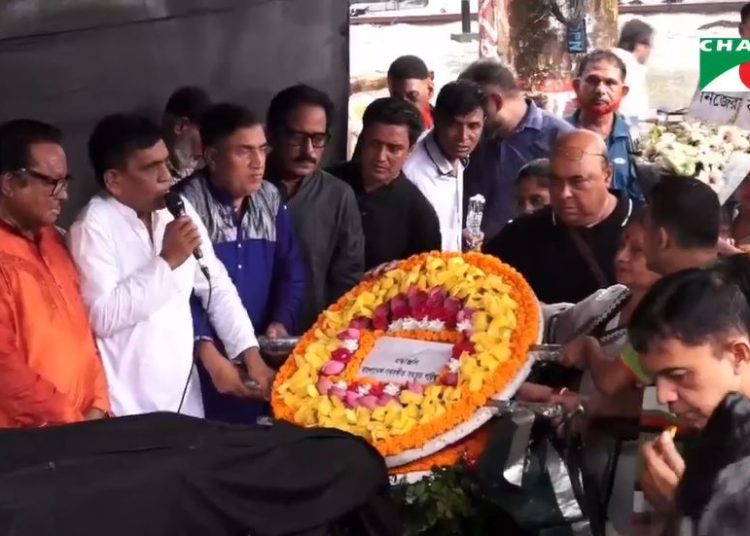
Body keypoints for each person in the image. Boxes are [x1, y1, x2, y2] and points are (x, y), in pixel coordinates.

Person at [68, 113, 273, 418]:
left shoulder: (176, 209)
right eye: (151, 167)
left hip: (184, 400)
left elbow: (216, 284)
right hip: (127, 408)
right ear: (114, 180)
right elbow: (102, 316)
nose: (166, 176)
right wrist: (167, 262)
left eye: (166, 163)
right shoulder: (92, 226)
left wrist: (249, 353)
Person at [178, 103, 305, 424]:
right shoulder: (184, 205)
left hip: (259, 357)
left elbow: (291, 272)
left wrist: (280, 322)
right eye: (243, 151)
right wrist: (206, 350)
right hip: (204, 365)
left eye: (262, 149)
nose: (258, 162)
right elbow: (179, 293)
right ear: (211, 157)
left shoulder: (270, 199)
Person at [628, 254, 750, 533]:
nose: (663, 396)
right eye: (655, 379)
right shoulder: (704, 438)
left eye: (678, 375)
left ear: (738, 355)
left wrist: (685, 509)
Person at [0, 119, 110, 427]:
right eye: (51, 182)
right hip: (29, 441)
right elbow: (4, 368)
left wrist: (99, 404)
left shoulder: (56, 240)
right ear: (8, 183)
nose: (63, 196)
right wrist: (68, 421)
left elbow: (85, 335)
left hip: (84, 428)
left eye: (65, 182)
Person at [485, 129, 635, 304]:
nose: (564, 194)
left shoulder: (644, 232)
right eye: (556, 181)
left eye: (577, 181)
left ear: (607, 175)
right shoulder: (522, 233)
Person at [265, 84, 365, 332]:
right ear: (272, 135)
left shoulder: (338, 195)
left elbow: (347, 277)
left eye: (318, 139)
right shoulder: (245, 188)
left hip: (312, 338)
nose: (308, 150)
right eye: (296, 138)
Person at [459, 59, 573, 243]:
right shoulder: (470, 139)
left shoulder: (562, 139)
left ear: (495, 102)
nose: (467, 127)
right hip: (472, 255)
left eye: (473, 113)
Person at [328, 97, 441, 270]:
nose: (380, 157)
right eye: (374, 144)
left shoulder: (419, 214)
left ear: (410, 151)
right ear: (363, 140)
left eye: (394, 149)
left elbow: (428, 276)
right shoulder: (327, 183)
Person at [403, 80, 486, 252]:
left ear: (484, 122)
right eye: (454, 125)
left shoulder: (457, 157)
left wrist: (457, 238)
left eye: (473, 126)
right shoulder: (411, 172)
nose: (463, 137)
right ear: (436, 119)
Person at [568, 50, 643, 201]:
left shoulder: (636, 139)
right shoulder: (557, 134)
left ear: (623, 91)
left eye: (610, 83)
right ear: (576, 86)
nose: (600, 90)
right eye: (592, 81)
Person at [162, 86, 212, 183]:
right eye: (204, 135)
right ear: (181, 126)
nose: (204, 151)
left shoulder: (194, 175)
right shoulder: (150, 175)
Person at [612, 19, 654, 124]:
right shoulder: (629, 66)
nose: (650, 51)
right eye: (649, 46)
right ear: (639, 45)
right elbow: (632, 110)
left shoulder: (614, 58)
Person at [387, 55, 435, 131]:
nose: (404, 106)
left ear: (430, 91)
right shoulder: (381, 132)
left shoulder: (445, 131)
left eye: (412, 97)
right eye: (396, 99)